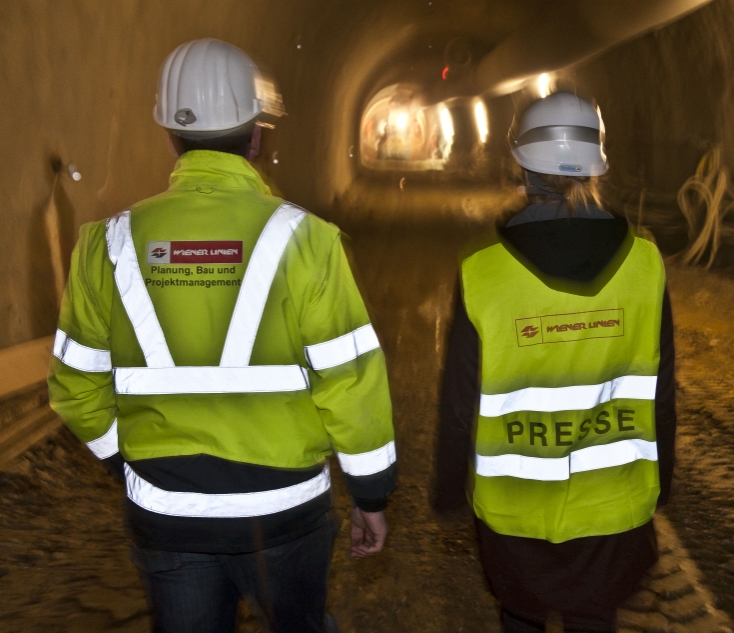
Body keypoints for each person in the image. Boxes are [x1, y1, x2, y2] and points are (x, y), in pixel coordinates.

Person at [47, 38, 396, 633]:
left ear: (168, 135)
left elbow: (74, 388)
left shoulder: (105, 245)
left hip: (167, 507)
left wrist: (125, 462)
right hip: (284, 511)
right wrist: (371, 495)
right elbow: (351, 383)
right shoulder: (307, 241)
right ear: (256, 135)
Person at [433, 92, 677, 633]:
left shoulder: (484, 274)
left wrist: (449, 487)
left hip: (516, 514)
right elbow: (662, 387)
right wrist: (665, 480)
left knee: (521, 617)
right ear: (597, 165)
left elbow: (460, 401)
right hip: (614, 509)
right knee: (595, 619)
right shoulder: (645, 265)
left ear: (520, 165)